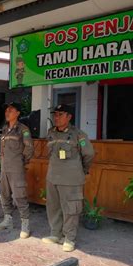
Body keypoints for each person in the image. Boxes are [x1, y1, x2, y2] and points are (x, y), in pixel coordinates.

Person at [42, 104, 94, 252]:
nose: (56, 117)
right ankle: (55, 234)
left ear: (69, 117)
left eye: (60, 114)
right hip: (53, 177)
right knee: (53, 207)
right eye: (55, 114)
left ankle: (69, 238)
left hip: (71, 178)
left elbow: (89, 154)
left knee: (71, 208)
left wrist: (83, 170)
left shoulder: (79, 135)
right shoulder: (51, 133)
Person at [0, 102, 34, 238]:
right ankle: (8, 220)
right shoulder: (5, 128)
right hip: (4, 167)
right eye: (6, 110)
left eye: (10, 110)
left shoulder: (23, 129)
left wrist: (21, 162)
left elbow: (29, 149)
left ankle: (25, 224)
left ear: (17, 113)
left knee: (19, 195)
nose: (7, 112)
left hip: (16, 168)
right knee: (4, 194)